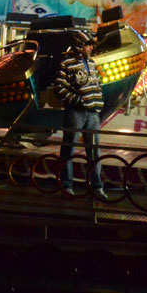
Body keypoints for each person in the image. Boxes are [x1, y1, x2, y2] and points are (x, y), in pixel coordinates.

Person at [53, 31, 110, 200]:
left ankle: (97, 187)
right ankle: (67, 186)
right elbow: (59, 88)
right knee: (69, 149)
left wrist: (98, 102)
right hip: (75, 113)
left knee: (94, 151)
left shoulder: (91, 63)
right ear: (79, 46)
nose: (91, 48)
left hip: (93, 113)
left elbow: (97, 84)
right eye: (88, 45)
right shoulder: (67, 63)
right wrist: (78, 101)